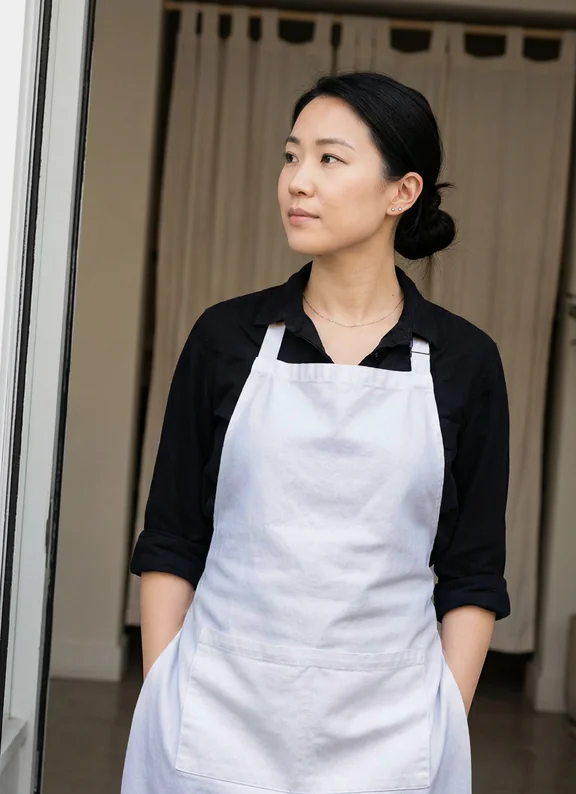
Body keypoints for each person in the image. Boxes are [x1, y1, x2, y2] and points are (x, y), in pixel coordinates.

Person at [122, 71, 510, 794]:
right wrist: (164, 693)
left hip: (388, 735)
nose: (298, 181)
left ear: (403, 191)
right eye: (291, 155)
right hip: (217, 717)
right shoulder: (226, 338)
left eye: (329, 159)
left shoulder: (464, 362)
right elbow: (172, 538)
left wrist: (441, 720)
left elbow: (473, 573)